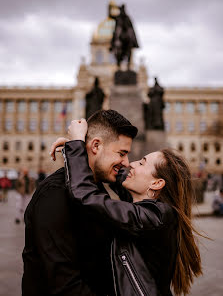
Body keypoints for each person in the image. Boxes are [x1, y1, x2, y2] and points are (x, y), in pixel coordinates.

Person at [62, 118, 203, 296]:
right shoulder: (149, 209)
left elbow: (85, 196)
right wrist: (85, 151)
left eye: (142, 162)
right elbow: (117, 174)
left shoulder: (154, 218)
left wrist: (76, 145)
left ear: (157, 183)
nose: (131, 163)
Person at [22, 110, 137, 296]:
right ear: (96, 145)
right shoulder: (54, 194)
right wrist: (78, 149)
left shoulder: (95, 187)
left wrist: (77, 150)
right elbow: (64, 284)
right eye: (122, 153)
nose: (126, 162)